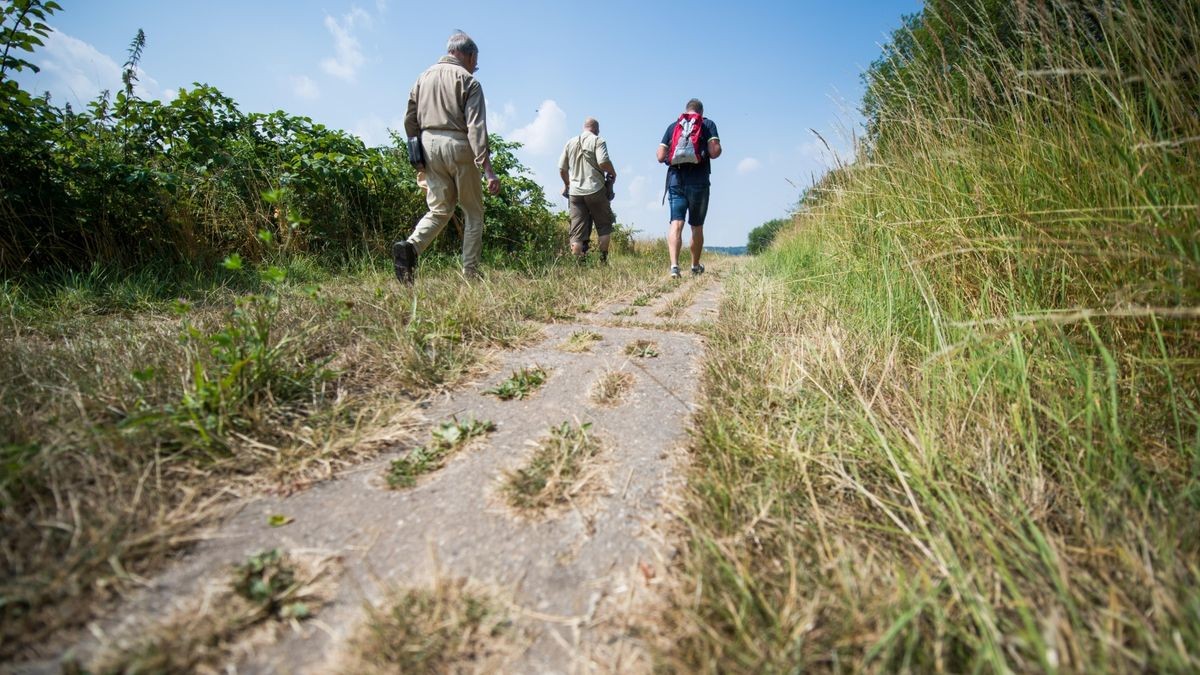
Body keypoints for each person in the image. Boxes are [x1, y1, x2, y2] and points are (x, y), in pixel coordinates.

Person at [393, 30, 501, 284]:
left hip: (428, 145)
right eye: (475, 61)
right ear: (468, 55)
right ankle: (470, 273)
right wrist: (488, 170)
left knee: (440, 209)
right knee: (473, 212)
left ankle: (410, 248)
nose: (476, 67)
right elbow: (476, 127)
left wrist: (416, 152)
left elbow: (409, 120)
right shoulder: (469, 81)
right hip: (460, 145)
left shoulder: (422, 77)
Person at [656, 98, 721, 278]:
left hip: (676, 181)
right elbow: (715, 152)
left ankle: (675, 266)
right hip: (699, 181)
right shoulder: (707, 124)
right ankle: (694, 265)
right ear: (700, 111)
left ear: (686, 110)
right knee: (696, 226)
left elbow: (660, 156)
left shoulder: (673, 127)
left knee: (676, 223)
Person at [558, 117, 617, 264]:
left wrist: (567, 184)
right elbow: (603, 162)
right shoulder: (598, 140)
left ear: (584, 127)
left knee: (577, 233)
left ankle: (578, 266)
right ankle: (603, 261)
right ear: (596, 129)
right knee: (603, 226)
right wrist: (613, 173)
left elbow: (562, 168)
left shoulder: (570, 142)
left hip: (575, 193)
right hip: (595, 189)